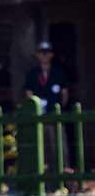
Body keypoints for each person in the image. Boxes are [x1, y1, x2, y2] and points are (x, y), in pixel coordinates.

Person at [24, 41, 69, 176]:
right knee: (41, 146)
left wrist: (58, 109)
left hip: (55, 116)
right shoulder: (32, 73)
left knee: (60, 146)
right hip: (39, 117)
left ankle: (63, 172)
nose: (44, 55)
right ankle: (42, 173)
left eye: (47, 53)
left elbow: (64, 93)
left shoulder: (58, 73)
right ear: (37, 55)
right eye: (41, 53)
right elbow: (28, 93)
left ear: (51, 55)